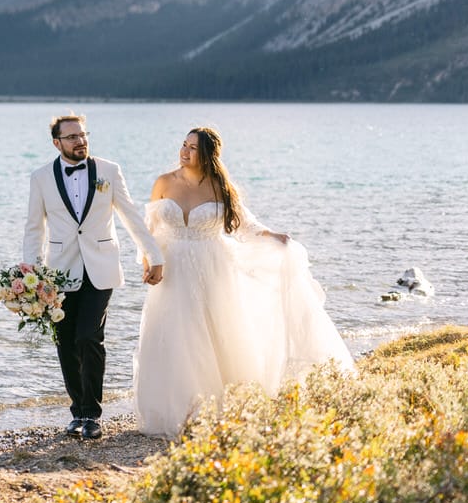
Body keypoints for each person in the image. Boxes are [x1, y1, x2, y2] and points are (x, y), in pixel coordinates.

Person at [133, 126, 356, 437]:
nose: (184, 151)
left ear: (208, 154)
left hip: (212, 268)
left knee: (213, 334)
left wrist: (273, 236)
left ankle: (215, 408)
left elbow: (244, 225)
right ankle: (173, 410)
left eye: (193, 148)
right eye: (183, 145)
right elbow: (149, 230)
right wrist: (149, 262)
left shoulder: (220, 187)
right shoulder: (164, 182)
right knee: (171, 335)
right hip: (171, 271)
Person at [22, 113, 165, 440]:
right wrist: (30, 273)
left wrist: (153, 255)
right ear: (57, 142)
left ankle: (94, 414)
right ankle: (78, 411)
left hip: (101, 266)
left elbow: (130, 216)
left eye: (83, 135)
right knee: (65, 342)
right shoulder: (40, 177)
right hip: (58, 271)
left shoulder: (109, 171)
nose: (80, 141)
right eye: (71, 137)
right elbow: (34, 228)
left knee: (89, 337)